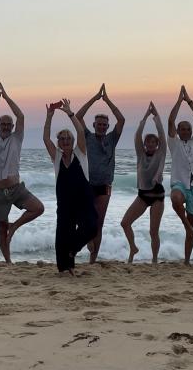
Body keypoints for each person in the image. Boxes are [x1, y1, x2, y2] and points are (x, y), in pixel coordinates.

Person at [0, 83, 43, 263]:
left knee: (38, 208)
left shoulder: (17, 138)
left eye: (9, 124)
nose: (6, 126)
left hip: (15, 188)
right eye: (3, 124)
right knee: (1, 228)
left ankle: (15, 226)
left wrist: (6, 97)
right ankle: (8, 261)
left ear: (13, 126)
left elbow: (21, 115)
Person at [45, 99, 97, 276]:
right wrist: (49, 116)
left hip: (83, 200)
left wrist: (70, 113)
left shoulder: (80, 153)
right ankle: (66, 268)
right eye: (62, 139)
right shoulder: (57, 157)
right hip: (65, 203)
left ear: (73, 141)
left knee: (91, 227)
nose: (65, 141)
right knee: (62, 234)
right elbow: (45, 138)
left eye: (68, 138)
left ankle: (73, 249)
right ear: (58, 142)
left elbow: (81, 131)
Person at [75, 84, 125, 263]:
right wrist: (95, 98)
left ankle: (93, 260)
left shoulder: (112, 138)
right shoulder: (87, 136)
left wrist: (108, 100)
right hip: (87, 184)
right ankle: (87, 240)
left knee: (99, 223)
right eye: (99, 124)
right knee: (84, 219)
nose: (102, 127)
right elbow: (78, 116)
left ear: (107, 126)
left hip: (104, 185)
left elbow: (122, 119)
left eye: (105, 125)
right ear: (94, 125)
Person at [120, 103, 167, 263]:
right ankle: (133, 247)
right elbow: (137, 135)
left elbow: (162, 133)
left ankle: (154, 259)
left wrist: (156, 116)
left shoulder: (161, 153)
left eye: (154, 142)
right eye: (148, 142)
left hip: (157, 197)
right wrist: (146, 116)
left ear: (157, 144)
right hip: (142, 195)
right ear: (145, 144)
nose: (151, 144)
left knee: (153, 231)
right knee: (125, 223)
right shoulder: (140, 154)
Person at [167, 85, 193, 265]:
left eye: (187, 129)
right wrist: (178, 100)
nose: (185, 131)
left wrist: (188, 100)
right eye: (182, 129)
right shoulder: (174, 144)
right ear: (178, 131)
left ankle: (187, 260)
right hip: (180, 184)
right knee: (175, 198)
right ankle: (187, 227)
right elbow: (170, 121)